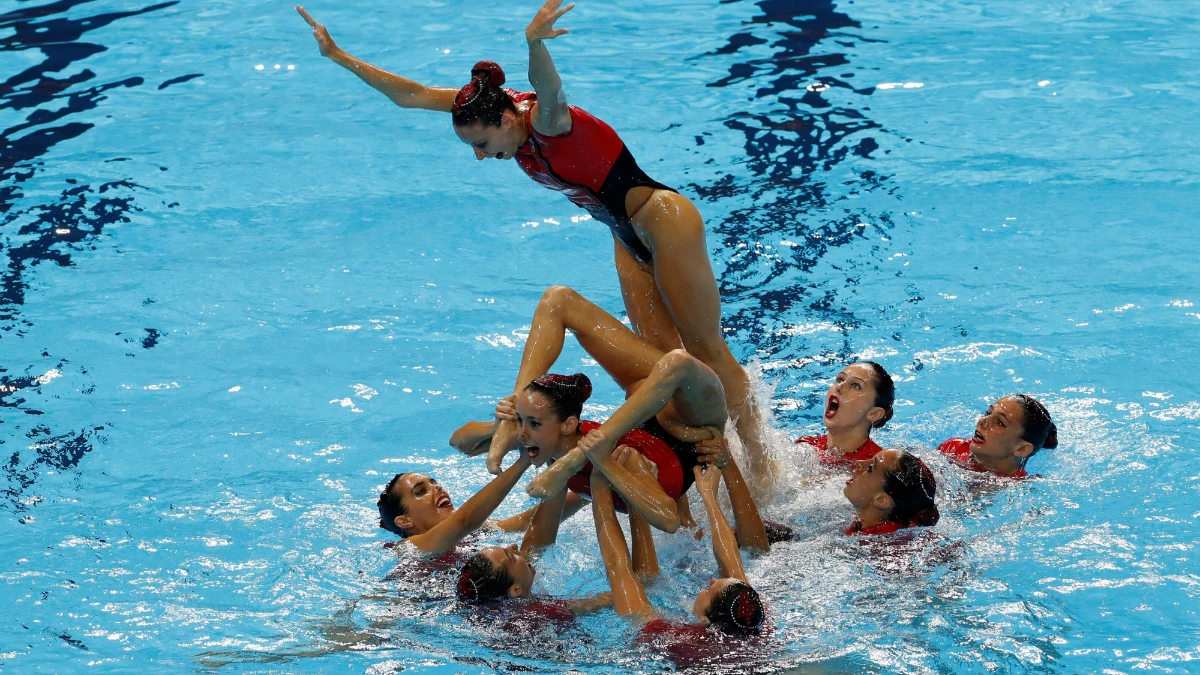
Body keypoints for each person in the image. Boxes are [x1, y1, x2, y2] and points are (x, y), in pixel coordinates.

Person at [296, 1, 773, 493]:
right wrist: (338, 55)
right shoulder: (489, 110)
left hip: (664, 221)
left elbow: (552, 89)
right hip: (624, 234)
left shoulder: (548, 123)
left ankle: (764, 468)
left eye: (482, 144)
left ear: (507, 119)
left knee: (704, 349)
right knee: (660, 358)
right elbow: (412, 95)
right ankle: (707, 457)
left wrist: (535, 43)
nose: (481, 157)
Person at [449, 285, 770, 548]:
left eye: (529, 423)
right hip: (680, 418)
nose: (524, 434)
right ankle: (511, 417)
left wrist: (565, 456)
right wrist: (501, 425)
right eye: (524, 423)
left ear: (566, 426)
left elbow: (667, 519)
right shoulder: (556, 443)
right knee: (673, 363)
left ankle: (517, 410)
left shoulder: (564, 446)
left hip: (671, 410)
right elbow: (462, 442)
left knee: (559, 301)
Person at [596, 465, 766, 662]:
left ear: (704, 620)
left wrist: (599, 483)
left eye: (708, 589)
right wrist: (708, 495)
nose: (711, 580)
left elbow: (618, 569)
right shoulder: (750, 619)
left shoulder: (673, 639)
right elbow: (732, 562)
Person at [376, 453, 532, 558]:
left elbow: (523, 522)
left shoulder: (471, 532)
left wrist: (555, 478)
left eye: (433, 482)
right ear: (405, 520)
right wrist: (524, 460)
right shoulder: (410, 547)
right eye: (421, 491)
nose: (437, 487)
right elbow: (464, 521)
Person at [794, 361, 894, 467]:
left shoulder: (877, 467)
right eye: (840, 379)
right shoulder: (805, 447)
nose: (839, 387)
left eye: (855, 386)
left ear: (874, 413)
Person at [939, 395, 1057, 478]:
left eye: (999, 422)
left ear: (1021, 449)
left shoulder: (1018, 489)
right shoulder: (953, 448)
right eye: (988, 413)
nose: (982, 421)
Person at [842, 449, 939, 536]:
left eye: (870, 468)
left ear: (881, 500)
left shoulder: (878, 547)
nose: (859, 463)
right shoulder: (869, 526)